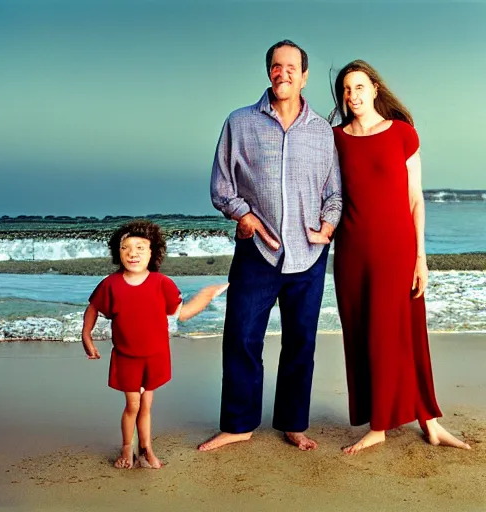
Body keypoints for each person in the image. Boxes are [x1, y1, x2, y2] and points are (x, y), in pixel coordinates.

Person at [200, 40, 342, 452]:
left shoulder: (322, 132)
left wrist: (328, 227)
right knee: (242, 338)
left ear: (305, 75)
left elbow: (334, 192)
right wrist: (244, 216)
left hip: (309, 256)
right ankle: (239, 424)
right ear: (268, 73)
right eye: (276, 66)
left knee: (302, 342)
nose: (283, 73)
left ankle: (294, 424)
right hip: (256, 253)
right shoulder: (239, 123)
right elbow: (221, 185)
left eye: (291, 67)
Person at [331, 60, 471, 454]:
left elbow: (415, 198)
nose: (352, 95)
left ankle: (428, 419)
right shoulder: (336, 138)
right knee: (362, 333)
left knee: (405, 333)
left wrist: (420, 258)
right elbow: (327, 193)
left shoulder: (403, 134)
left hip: (397, 249)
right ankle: (379, 422)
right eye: (346, 89)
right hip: (352, 251)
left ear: (375, 89)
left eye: (359, 87)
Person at [82, 219, 228, 468]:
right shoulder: (110, 284)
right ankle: (127, 449)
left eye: (140, 247)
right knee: (133, 405)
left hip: (155, 355)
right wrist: (86, 335)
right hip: (126, 356)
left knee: (146, 405)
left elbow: (181, 313)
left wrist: (207, 294)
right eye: (125, 247)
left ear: (153, 252)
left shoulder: (162, 283)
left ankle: (146, 447)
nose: (133, 253)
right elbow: (93, 307)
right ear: (118, 253)